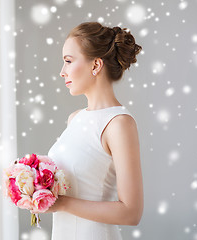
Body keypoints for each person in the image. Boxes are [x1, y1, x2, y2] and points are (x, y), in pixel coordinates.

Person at [46, 21, 144, 240]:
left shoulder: (119, 123)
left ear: (96, 65)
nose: (62, 72)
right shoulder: (75, 119)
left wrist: (61, 203)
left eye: (68, 61)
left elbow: (131, 212)